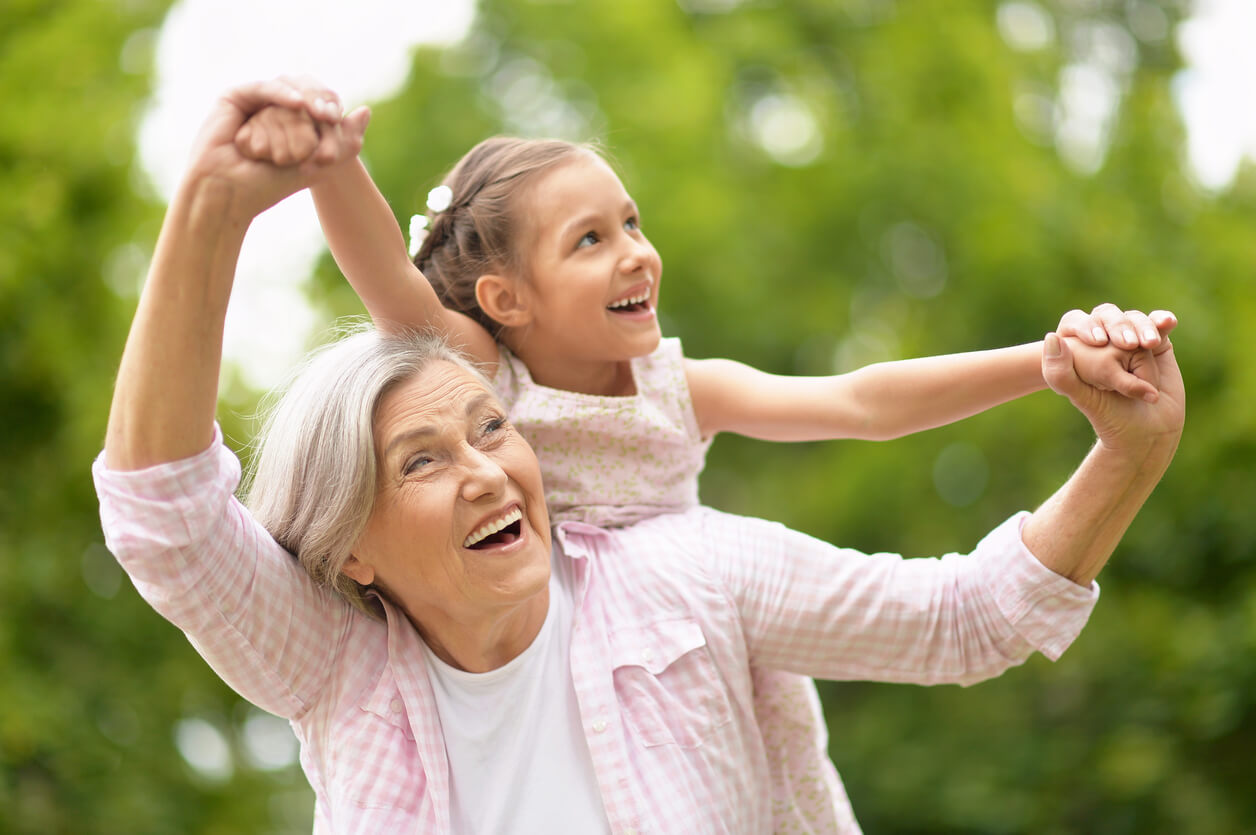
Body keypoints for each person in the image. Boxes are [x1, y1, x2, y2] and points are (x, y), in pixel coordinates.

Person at [96, 80, 1184, 834]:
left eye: (630, 222)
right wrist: (321, 164)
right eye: (589, 239)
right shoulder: (466, 382)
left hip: (684, 618)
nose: (634, 254)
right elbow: (181, 513)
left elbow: (860, 410)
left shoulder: (680, 501)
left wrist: (1049, 369)